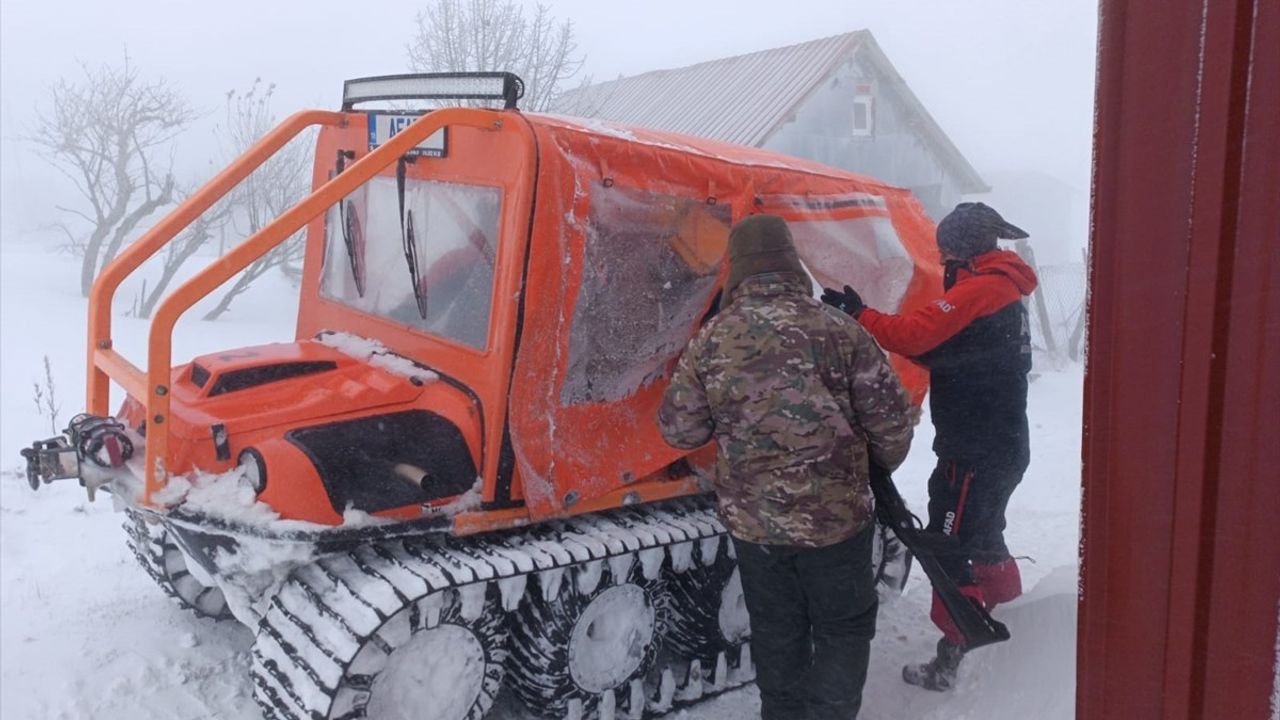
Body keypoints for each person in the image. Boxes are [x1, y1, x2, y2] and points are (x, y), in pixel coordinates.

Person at [659, 214, 915, 719]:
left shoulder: (712, 340)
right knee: (842, 627)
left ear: (738, 268)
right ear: (792, 262)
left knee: (777, 629)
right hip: (837, 522)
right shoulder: (840, 329)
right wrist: (868, 470)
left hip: (758, 528)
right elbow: (892, 425)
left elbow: (679, 431)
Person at [821, 201, 1038, 691]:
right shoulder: (1005, 290)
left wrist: (859, 314)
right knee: (985, 538)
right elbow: (950, 351)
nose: (941, 263)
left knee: (945, 547)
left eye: (945, 255)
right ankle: (1011, 628)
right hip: (1003, 445)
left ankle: (957, 655)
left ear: (961, 250)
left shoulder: (980, 290)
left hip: (973, 451)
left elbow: (916, 335)